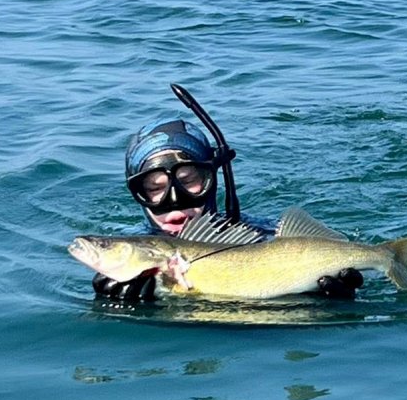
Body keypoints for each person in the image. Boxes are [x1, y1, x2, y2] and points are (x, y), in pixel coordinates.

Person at [92, 113, 363, 302]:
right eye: (154, 188)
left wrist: (329, 300)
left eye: (189, 180)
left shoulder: (265, 234)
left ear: (213, 179)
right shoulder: (126, 254)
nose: (175, 199)